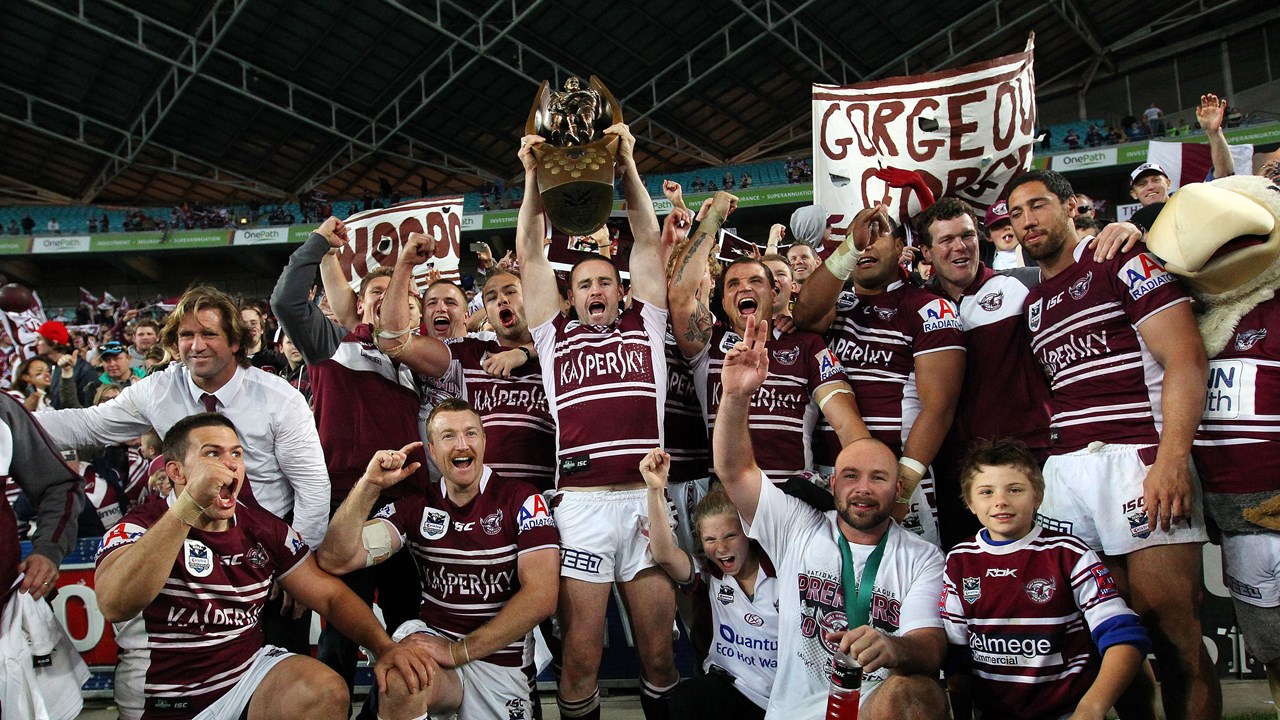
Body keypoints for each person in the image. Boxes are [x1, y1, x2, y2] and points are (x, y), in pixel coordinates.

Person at [1008, 169, 1222, 719]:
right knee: (1105, 640)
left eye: (1038, 205)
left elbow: (1185, 357)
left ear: (1071, 206)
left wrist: (1172, 460)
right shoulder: (1034, 303)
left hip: (1138, 457)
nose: (1028, 220)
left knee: (1172, 634)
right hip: (1066, 472)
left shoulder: (1122, 260)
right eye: (1016, 214)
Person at [94, 413, 435, 720]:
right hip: (161, 696)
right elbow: (115, 604)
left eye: (236, 454)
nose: (230, 465)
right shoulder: (137, 527)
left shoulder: (263, 528)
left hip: (243, 679)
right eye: (213, 454)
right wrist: (188, 507)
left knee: (323, 690)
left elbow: (331, 597)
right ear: (176, 472)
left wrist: (384, 646)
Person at [517, 125, 678, 720]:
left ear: (620, 290)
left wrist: (628, 163)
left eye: (605, 281)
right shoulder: (552, 336)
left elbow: (646, 237)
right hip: (581, 509)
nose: (595, 290)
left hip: (645, 503)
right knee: (581, 660)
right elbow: (530, 254)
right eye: (584, 284)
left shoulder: (647, 324)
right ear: (571, 295)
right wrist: (532, 177)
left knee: (659, 657)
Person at [711, 315, 948, 719]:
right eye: (851, 476)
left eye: (878, 478)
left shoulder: (922, 556)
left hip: (872, 707)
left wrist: (894, 648)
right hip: (795, 712)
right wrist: (735, 396)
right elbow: (735, 471)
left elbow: (930, 647)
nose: (863, 488)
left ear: (898, 490)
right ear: (833, 484)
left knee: (919, 694)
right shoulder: (797, 525)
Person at [317, 399, 560, 720]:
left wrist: (460, 651)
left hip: (499, 664)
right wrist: (369, 486)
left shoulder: (523, 500)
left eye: (470, 433)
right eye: (448, 436)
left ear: (484, 441)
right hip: (437, 658)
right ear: (432, 450)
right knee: (404, 679)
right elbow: (335, 559)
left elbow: (542, 596)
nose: (462, 444)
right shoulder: (417, 506)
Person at [271, 219, 430, 702]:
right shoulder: (333, 345)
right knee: (341, 638)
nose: (389, 297)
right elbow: (285, 302)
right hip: (346, 508)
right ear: (359, 306)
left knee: (410, 632)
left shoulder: (422, 366)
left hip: (412, 512)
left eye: (401, 293)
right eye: (376, 292)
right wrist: (319, 246)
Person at [941, 438, 1151, 720]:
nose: (1001, 501)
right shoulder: (959, 560)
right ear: (970, 502)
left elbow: (1125, 638)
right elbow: (958, 656)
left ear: (1037, 497)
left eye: (1015, 489)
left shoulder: (1070, 553)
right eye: (986, 492)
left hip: (1067, 713)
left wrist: (1091, 708)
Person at [794, 207, 965, 546]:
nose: (866, 245)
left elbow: (939, 409)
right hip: (830, 477)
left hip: (897, 479)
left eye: (878, 235)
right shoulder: (835, 305)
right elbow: (803, 314)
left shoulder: (930, 308)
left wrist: (901, 490)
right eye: (858, 239)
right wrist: (850, 247)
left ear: (901, 245)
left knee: (901, 577)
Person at [668, 196, 868, 486]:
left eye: (755, 281)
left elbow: (846, 423)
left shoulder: (807, 345)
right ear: (723, 302)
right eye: (733, 284)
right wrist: (713, 219)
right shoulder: (707, 345)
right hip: (726, 504)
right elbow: (680, 295)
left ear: (774, 294)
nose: (744, 287)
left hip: (790, 502)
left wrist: (869, 478)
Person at [377, 241, 555, 492]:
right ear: (485, 313)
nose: (501, 299)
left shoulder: (557, 350)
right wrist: (405, 264)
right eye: (491, 297)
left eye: (511, 291)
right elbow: (393, 341)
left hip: (544, 498)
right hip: (482, 501)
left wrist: (526, 352)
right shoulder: (468, 353)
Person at [640, 448, 777, 719]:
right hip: (729, 689)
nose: (721, 548)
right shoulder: (709, 573)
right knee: (687, 699)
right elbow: (664, 554)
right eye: (710, 540)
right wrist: (655, 490)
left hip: (782, 697)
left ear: (748, 533)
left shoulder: (781, 569)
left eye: (730, 536)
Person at [38, 320, 100, 408]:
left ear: (54, 341)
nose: (36, 343)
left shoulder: (84, 370)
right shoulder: (44, 366)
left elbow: (87, 406)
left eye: (40, 339)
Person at [241, 305, 286, 373]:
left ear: (262, 328)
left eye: (253, 323)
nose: (249, 327)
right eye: (243, 324)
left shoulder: (277, 360)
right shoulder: (231, 361)